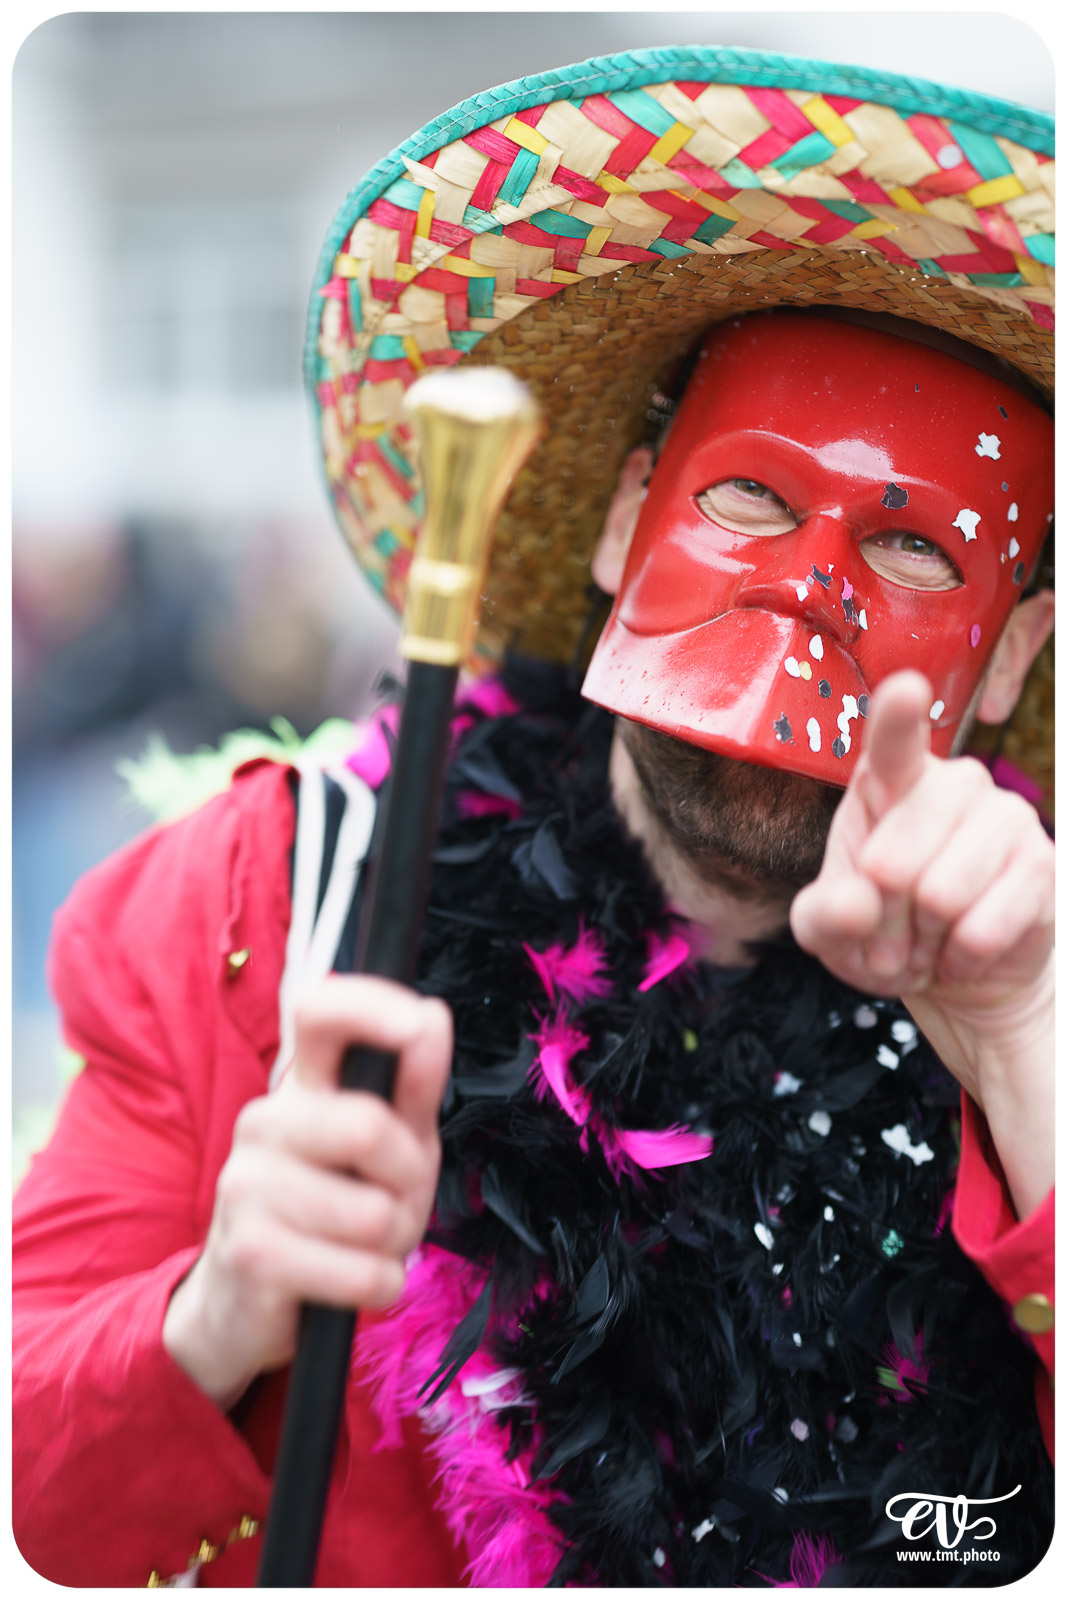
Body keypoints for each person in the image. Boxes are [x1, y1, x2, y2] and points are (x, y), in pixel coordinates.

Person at [13, 44, 1055, 1588]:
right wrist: (219, 1307)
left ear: (1012, 656)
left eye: (910, 552)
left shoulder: (1046, 979)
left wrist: (1027, 1042)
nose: (810, 596)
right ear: (629, 518)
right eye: (752, 502)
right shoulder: (261, 905)